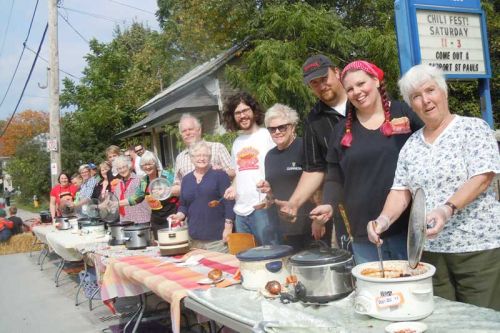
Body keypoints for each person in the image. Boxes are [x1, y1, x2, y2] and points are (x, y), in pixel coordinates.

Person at [366, 64, 500, 310]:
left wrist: (446, 209)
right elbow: (400, 191)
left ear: (444, 92)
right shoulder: (411, 145)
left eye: (430, 90)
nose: (425, 100)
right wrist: (383, 220)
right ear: (411, 104)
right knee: (443, 321)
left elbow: (482, 177)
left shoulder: (473, 129)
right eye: (416, 96)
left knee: (483, 322)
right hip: (429, 254)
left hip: (476, 249)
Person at [310, 60, 423, 263]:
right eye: (350, 89)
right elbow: (335, 177)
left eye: (361, 84)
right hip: (364, 234)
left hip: (408, 230)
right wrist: (328, 204)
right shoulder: (341, 130)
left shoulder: (404, 112)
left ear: (376, 80)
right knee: (375, 293)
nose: (357, 92)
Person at [275, 55, 349, 246]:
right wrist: (294, 203)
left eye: (324, 79)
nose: (321, 85)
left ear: (337, 72)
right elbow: (315, 168)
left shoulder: (363, 101)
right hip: (346, 209)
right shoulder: (314, 121)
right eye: (314, 83)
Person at [257, 104, 315, 252]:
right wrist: (268, 192)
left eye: (282, 127)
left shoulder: (305, 147)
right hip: (284, 228)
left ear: (293, 127)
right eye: (272, 129)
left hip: (310, 225)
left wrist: (318, 222)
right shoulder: (270, 156)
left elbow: (319, 183)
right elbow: (274, 193)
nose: (277, 131)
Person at [222, 92, 278, 246]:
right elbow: (238, 174)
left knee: (271, 257)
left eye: (245, 110)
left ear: (254, 111)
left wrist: (271, 195)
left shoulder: (267, 135)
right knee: (248, 259)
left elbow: (277, 168)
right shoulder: (237, 142)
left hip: (262, 208)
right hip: (240, 211)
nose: (242, 116)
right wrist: (232, 188)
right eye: (237, 113)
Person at [169, 141, 235, 253]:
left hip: (217, 239)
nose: (202, 158)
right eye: (198, 155)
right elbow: (184, 205)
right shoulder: (186, 179)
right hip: (194, 238)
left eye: (205, 155)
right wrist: (179, 216)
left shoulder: (220, 175)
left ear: (210, 157)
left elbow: (229, 203)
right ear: (191, 158)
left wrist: (228, 228)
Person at [173, 114, 233, 196]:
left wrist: (222, 172)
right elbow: (178, 185)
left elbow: (234, 173)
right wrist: (165, 190)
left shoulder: (217, 147)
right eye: (184, 131)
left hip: (217, 204)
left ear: (199, 130)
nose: (187, 133)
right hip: (192, 207)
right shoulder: (180, 158)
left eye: (190, 129)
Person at [122, 151, 177, 239]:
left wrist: (166, 191)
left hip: (171, 215)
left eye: (150, 164)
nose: (147, 167)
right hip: (156, 217)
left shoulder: (166, 175)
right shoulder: (144, 180)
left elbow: (178, 190)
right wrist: (117, 203)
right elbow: (137, 198)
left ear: (155, 164)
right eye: (144, 165)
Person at [114, 156, 151, 224]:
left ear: (129, 166)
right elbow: (114, 202)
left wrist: (115, 204)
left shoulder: (141, 180)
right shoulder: (117, 186)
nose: (122, 170)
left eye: (124, 167)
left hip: (141, 220)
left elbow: (138, 197)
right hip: (125, 221)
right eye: (119, 168)